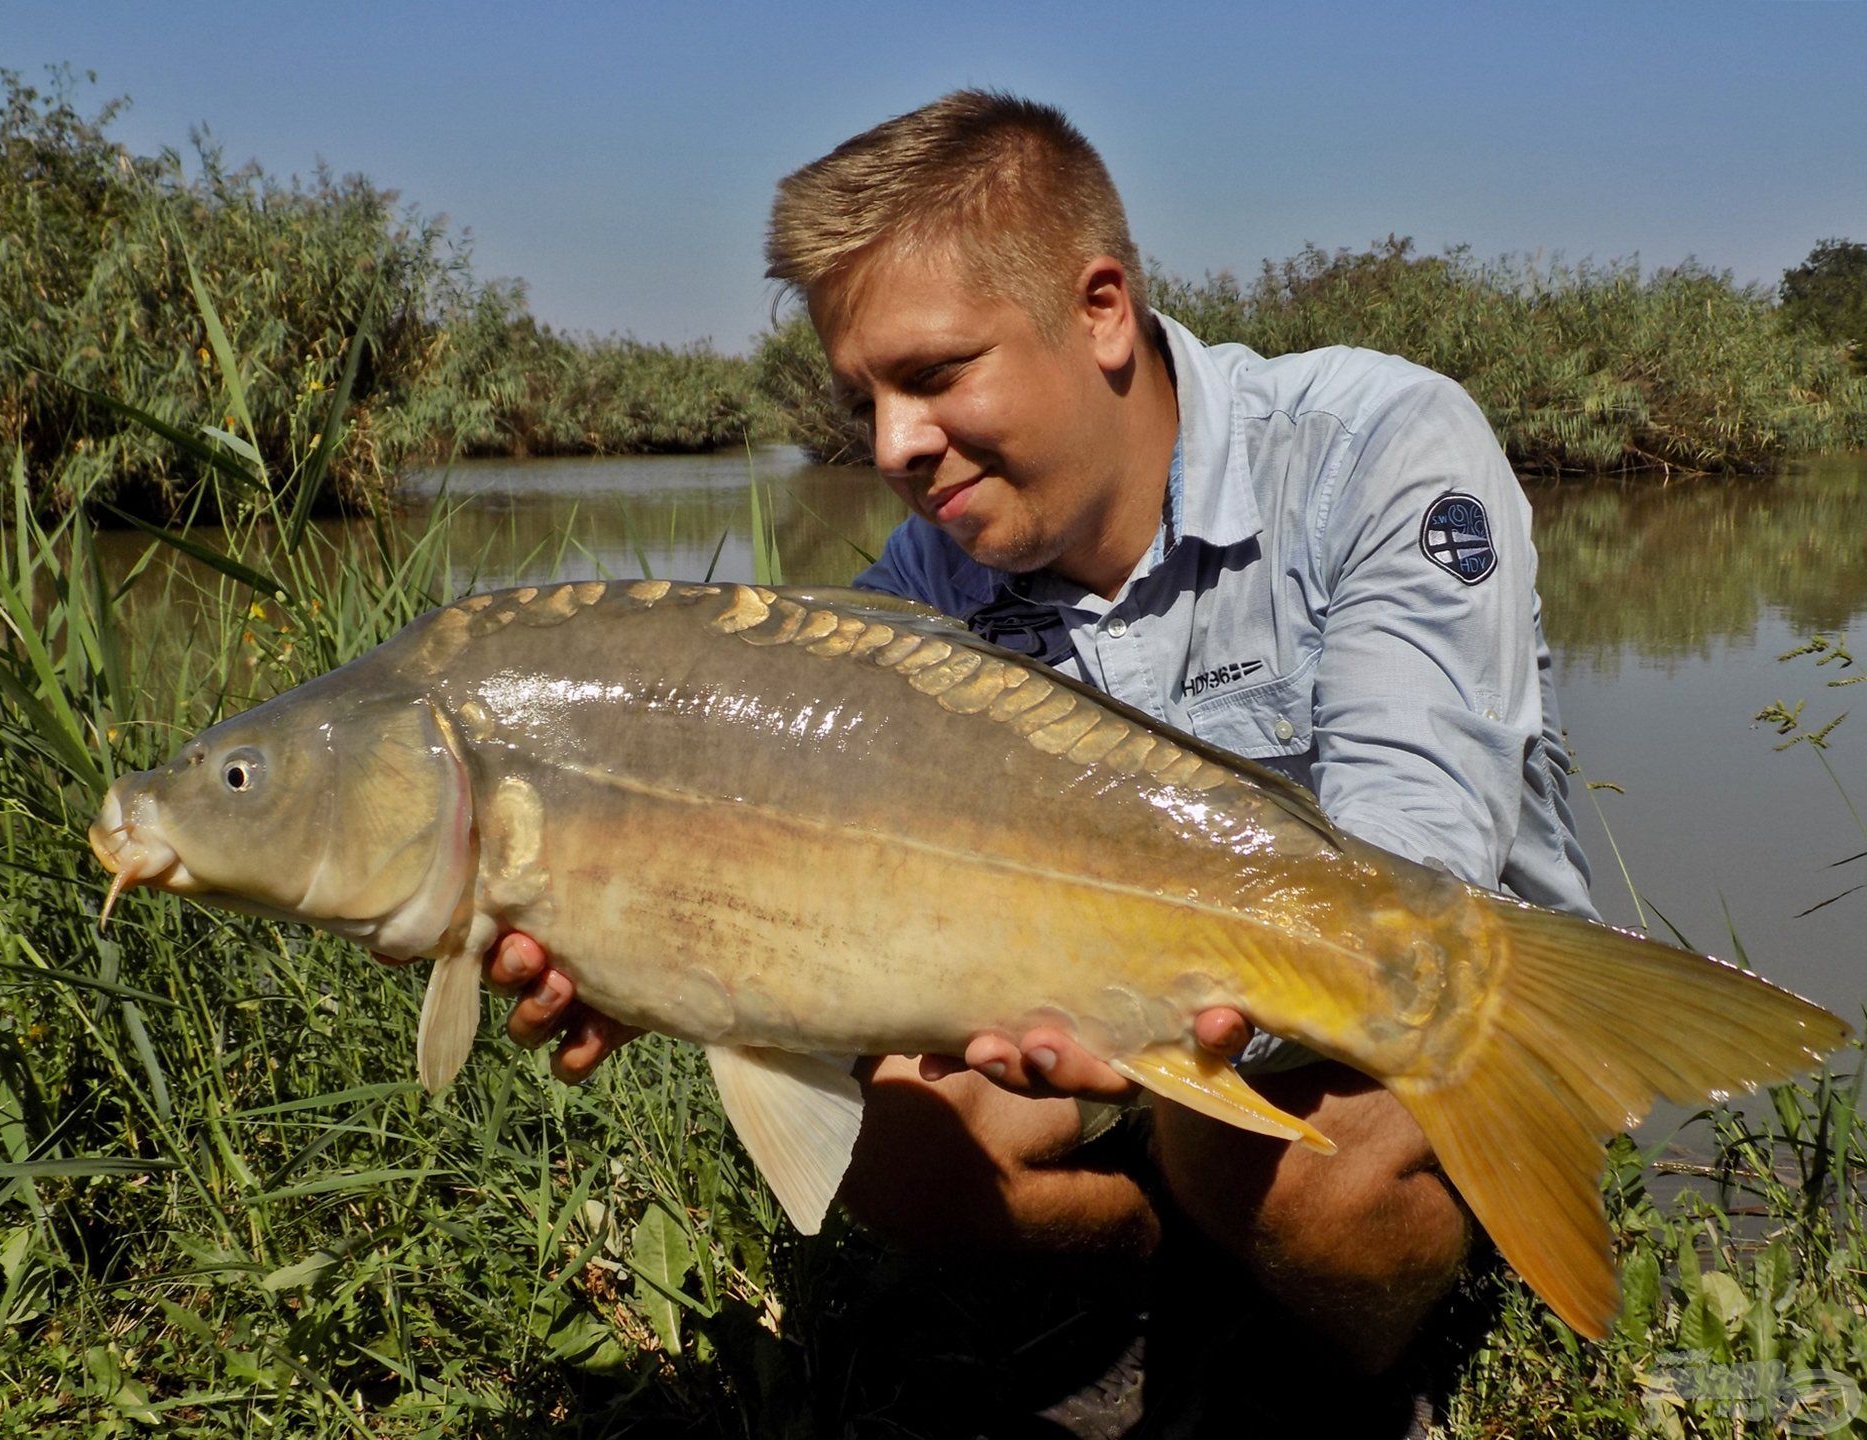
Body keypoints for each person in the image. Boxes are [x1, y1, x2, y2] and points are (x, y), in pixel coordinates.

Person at [473, 90, 1595, 1404]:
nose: (893, 445)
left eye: (936, 375)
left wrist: (1153, 1037)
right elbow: (857, 915)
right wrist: (678, 949)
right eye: (864, 396)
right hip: (1115, 1016)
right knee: (912, 1145)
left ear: (1100, 310)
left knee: (1291, 1173)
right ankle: (1163, 1299)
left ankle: (1379, 1371)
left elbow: (1422, 874)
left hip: (1435, 1023)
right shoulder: (919, 591)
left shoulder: (1370, 447)